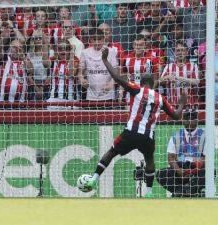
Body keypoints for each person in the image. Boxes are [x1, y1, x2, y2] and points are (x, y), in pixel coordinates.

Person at [79, 47, 187, 198]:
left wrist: (104, 60)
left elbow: (117, 78)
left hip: (131, 131)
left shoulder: (136, 89)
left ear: (142, 83)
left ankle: (93, 179)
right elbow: (176, 115)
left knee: (111, 152)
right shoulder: (160, 98)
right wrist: (182, 102)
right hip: (148, 136)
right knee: (149, 159)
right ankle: (149, 193)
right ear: (153, 84)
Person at [156, 109, 206, 197]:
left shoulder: (204, 136)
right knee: (161, 174)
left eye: (193, 118)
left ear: (197, 120)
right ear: (182, 120)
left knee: (211, 172)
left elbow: (206, 158)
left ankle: (182, 191)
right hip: (180, 167)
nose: (190, 121)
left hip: (197, 168)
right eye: (187, 118)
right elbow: (171, 158)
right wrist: (178, 170)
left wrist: (193, 170)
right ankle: (185, 191)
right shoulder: (176, 135)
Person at [79, 28, 117, 101]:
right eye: (94, 39)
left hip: (108, 95)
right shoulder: (85, 52)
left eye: (99, 39)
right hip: (91, 96)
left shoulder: (111, 51)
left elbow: (116, 72)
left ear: (103, 39)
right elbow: (80, 72)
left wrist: (111, 83)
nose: (97, 42)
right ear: (90, 40)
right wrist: (82, 80)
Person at [159, 41, 200, 105]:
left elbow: (196, 82)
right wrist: (167, 77)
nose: (180, 53)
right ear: (175, 52)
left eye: (182, 50)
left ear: (187, 52)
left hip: (189, 105)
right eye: (178, 50)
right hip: (173, 105)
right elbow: (160, 80)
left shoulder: (193, 65)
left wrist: (179, 78)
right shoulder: (169, 66)